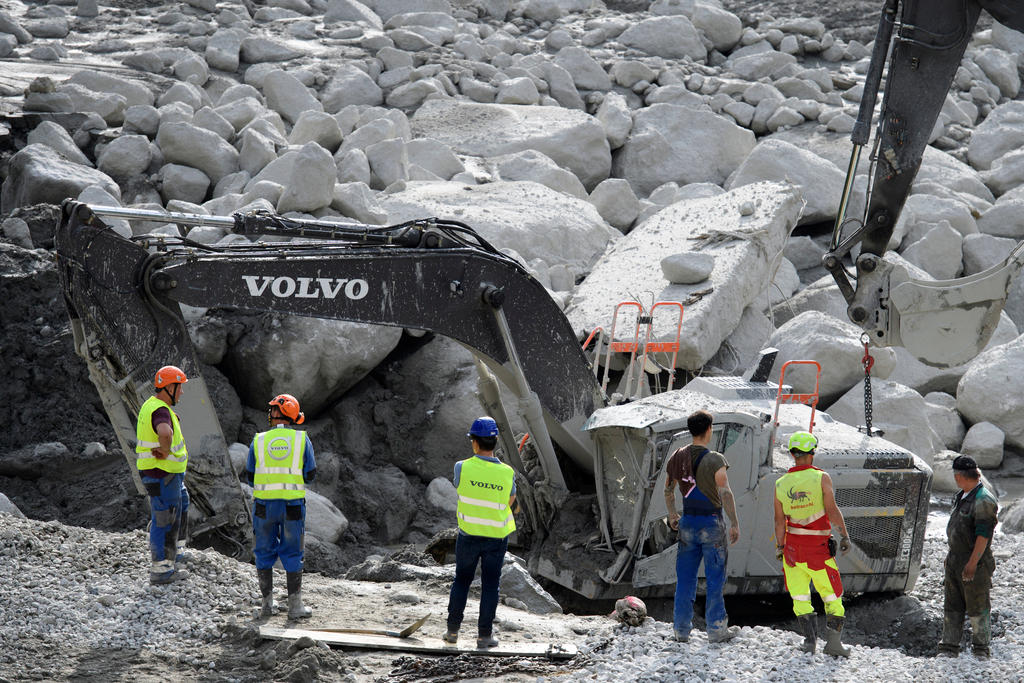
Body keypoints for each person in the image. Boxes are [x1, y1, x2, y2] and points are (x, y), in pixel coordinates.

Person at [664, 409, 741, 644]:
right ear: (709, 430)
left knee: (685, 578)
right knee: (715, 578)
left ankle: (681, 630)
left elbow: (668, 491)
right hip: (711, 524)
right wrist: (735, 523)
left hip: (687, 523)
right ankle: (717, 630)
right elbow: (725, 493)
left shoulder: (677, 456)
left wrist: (672, 515)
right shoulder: (715, 459)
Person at [773, 431, 852, 657]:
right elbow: (832, 510)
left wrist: (780, 547)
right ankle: (834, 645)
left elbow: (779, 521)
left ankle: (809, 643)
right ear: (812, 454)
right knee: (832, 595)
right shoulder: (821, 478)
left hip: (792, 551)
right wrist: (844, 535)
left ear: (792, 454)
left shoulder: (780, 484)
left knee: (799, 596)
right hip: (818, 550)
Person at [443, 416, 516, 649]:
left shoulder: (461, 467)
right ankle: (484, 637)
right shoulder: (507, 473)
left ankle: (452, 632)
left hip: (468, 535)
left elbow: (459, 486)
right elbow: (511, 500)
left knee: (462, 581)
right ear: (495, 442)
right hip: (496, 537)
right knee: (490, 585)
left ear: (474, 442)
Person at [245, 393, 317, 619]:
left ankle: (267, 606)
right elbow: (310, 474)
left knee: (263, 551)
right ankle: (295, 607)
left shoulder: (258, 440)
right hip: (292, 507)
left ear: (274, 415)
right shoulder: (301, 440)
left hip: (264, 507)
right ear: (294, 417)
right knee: (293, 551)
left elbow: (249, 475)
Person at [135, 365, 191, 585]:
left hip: (166, 475)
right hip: (162, 474)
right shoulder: (160, 411)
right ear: (169, 387)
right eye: (179, 387)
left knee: (181, 504)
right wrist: (165, 449)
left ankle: (176, 554)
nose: (182, 392)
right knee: (164, 518)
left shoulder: (153, 406)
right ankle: (162, 570)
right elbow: (165, 433)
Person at [938, 455, 998, 658]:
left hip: (975, 561)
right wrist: (951, 556)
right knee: (952, 604)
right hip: (955, 559)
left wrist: (972, 563)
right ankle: (949, 647)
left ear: (960, 476)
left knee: (977, 605)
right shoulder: (962, 495)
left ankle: (981, 649)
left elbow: (983, 535)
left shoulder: (983, 500)